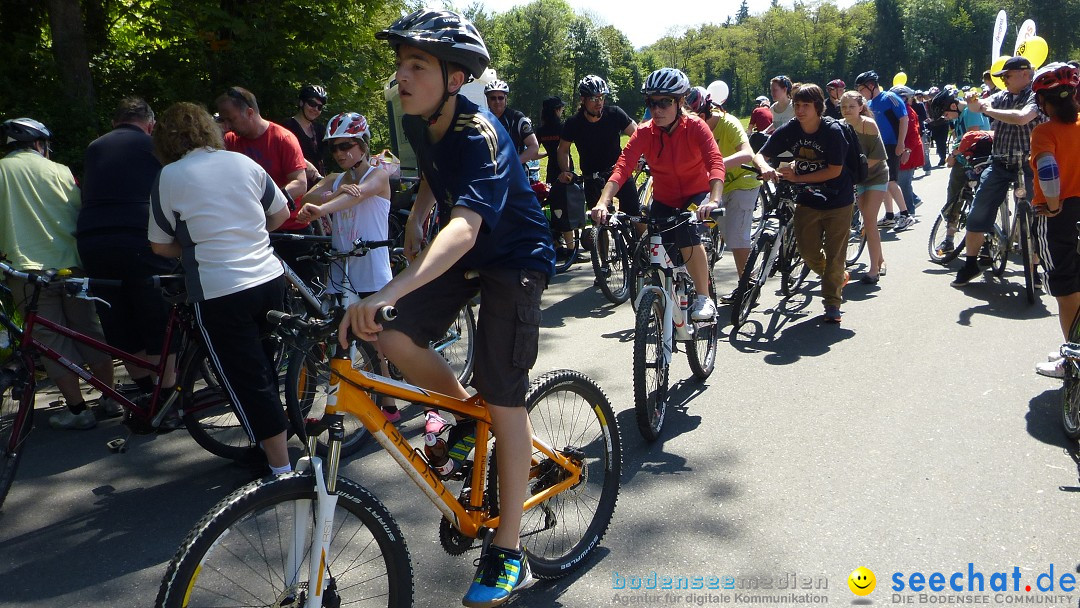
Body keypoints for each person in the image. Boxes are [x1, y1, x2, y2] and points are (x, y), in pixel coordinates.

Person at [344, 9, 556, 606]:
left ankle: (508, 549)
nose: (402, 77)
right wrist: (415, 213)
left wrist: (389, 287)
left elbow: (465, 225)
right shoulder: (418, 122)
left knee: (504, 392)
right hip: (467, 252)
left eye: (417, 66)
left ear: (456, 78)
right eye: (400, 65)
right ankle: (466, 415)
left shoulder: (481, 133)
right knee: (391, 335)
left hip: (513, 255)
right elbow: (439, 178)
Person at [148, 102, 292, 475]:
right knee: (265, 368)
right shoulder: (243, 162)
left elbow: (160, 245)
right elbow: (280, 213)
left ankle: (280, 468)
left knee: (247, 380)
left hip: (220, 290)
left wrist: (196, 247)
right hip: (269, 278)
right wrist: (250, 235)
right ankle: (278, 443)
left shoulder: (169, 176)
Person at [0, 118, 118, 430]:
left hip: (26, 272)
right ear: (40, 144)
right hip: (73, 266)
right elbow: (80, 210)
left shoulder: (0, 172)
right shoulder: (62, 171)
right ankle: (110, 398)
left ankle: (79, 411)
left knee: (50, 340)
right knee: (90, 331)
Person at [590, 69, 724, 321]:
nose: (657, 109)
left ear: (681, 102)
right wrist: (602, 202)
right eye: (652, 102)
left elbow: (715, 162)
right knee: (656, 250)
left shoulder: (696, 127)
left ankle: (704, 297)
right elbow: (622, 168)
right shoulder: (644, 132)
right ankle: (664, 306)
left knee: (687, 233)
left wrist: (715, 200)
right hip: (664, 200)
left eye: (665, 102)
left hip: (698, 196)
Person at [295, 112, 397, 417]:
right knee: (342, 336)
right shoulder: (336, 179)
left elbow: (356, 198)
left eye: (347, 146)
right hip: (342, 270)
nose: (340, 153)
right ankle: (339, 402)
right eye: (335, 148)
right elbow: (306, 200)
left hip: (372, 268)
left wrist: (324, 205)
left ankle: (390, 404)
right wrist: (334, 191)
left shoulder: (377, 175)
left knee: (381, 343)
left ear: (363, 145)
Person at [77, 97, 177, 406]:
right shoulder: (152, 145)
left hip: (93, 242)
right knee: (158, 319)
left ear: (113, 122)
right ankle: (168, 396)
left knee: (119, 320)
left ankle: (145, 393)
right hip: (139, 237)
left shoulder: (94, 148)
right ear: (150, 124)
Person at [754, 84, 854, 323]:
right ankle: (838, 276)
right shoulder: (792, 129)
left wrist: (798, 178)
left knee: (835, 254)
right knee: (808, 252)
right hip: (808, 199)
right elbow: (760, 153)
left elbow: (834, 170)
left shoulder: (832, 131)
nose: (799, 110)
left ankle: (832, 303)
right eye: (797, 105)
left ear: (818, 108)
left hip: (838, 199)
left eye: (805, 106)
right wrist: (766, 167)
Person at [952, 56, 1046, 287]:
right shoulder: (1001, 96)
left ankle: (1034, 268)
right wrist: (973, 102)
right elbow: (977, 105)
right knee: (978, 212)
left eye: (1007, 75)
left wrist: (988, 110)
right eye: (1002, 76)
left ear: (1025, 74)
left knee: (1038, 215)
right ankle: (971, 263)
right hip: (1000, 163)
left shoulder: (1037, 96)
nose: (1003, 79)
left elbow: (1023, 118)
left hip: (1029, 163)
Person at [216, 86, 319, 286]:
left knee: (311, 288)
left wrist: (266, 203)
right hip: (253, 230)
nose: (227, 126)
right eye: (223, 120)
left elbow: (300, 183)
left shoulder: (282, 137)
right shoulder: (230, 141)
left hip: (291, 228)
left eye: (231, 119)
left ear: (250, 112)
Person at [1026, 63, 1080, 377]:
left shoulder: (1044, 131)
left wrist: (1054, 204)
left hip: (1059, 214)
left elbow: (1047, 169)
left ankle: (1073, 359)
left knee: (1066, 287)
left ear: (1045, 102)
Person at [685, 86, 757, 298]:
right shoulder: (689, 129)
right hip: (712, 186)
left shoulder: (728, 123)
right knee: (689, 222)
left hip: (740, 182)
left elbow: (747, 154)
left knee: (736, 236)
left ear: (706, 112)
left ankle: (747, 285)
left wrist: (716, 164)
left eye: (698, 118)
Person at [557, 75, 639, 228]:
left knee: (636, 216)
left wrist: (638, 157)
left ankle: (643, 250)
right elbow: (562, 150)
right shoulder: (573, 123)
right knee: (598, 224)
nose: (599, 102)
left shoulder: (614, 114)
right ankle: (601, 252)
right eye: (594, 98)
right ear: (583, 99)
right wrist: (566, 171)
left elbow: (637, 135)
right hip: (591, 178)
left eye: (601, 97)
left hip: (618, 172)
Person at [931, 89, 991, 256]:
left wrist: (953, 154)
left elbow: (973, 137)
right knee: (955, 197)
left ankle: (986, 240)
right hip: (965, 160)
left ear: (953, 105)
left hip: (978, 160)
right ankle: (950, 238)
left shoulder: (970, 112)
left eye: (945, 113)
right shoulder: (959, 116)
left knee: (976, 200)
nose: (945, 117)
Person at [855, 70, 914, 231]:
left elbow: (904, 119)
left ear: (871, 86)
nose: (861, 93)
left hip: (892, 144)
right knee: (882, 181)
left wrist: (901, 143)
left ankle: (905, 214)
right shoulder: (871, 103)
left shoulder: (890, 98)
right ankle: (889, 216)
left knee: (891, 181)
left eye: (862, 89)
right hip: (878, 146)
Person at [840, 90, 889, 283]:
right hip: (858, 179)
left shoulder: (868, 125)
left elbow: (877, 156)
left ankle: (873, 269)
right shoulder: (841, 126)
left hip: (876, 176)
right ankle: (881, 260)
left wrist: (853, 173)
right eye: (843, 107)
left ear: (861, 107)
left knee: (869, 220)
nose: (847, 110)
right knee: (868, 222)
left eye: (852, 106)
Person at [535, 96, 578, 252]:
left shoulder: (541, 130)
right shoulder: (563, 127)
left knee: (555, 206)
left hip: (551, 170)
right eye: (561, 108)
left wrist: (548, 154)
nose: (562, 111)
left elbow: (533, 153)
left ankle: (556, 242)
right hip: (565, 169)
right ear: (556, 110)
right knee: (568, 207)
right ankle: (571, 249)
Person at [484, 79, 541, 167]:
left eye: (500, 98)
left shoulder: (517, 118)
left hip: (514, 172)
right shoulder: (483, 119)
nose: (497, 101)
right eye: (493, 98)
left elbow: (533, 146)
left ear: (506, 99)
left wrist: (515, 162)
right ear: (487, 100)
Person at [891, 85, 927, 221]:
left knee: (903, 182)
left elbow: (913, 135)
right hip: (903, 150)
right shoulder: (900, 110)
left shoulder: (908, 112)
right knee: (899, 181)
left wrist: (907, 150)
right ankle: (914, 200)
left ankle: (909, 211)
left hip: (909, 151)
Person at [282, 84, 329, 185]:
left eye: (319, 107)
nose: (315, 109)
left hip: (318, 185)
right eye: (312, 103)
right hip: (295, 185)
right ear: (301, 102)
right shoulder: (286, 127)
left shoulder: (319, 129)